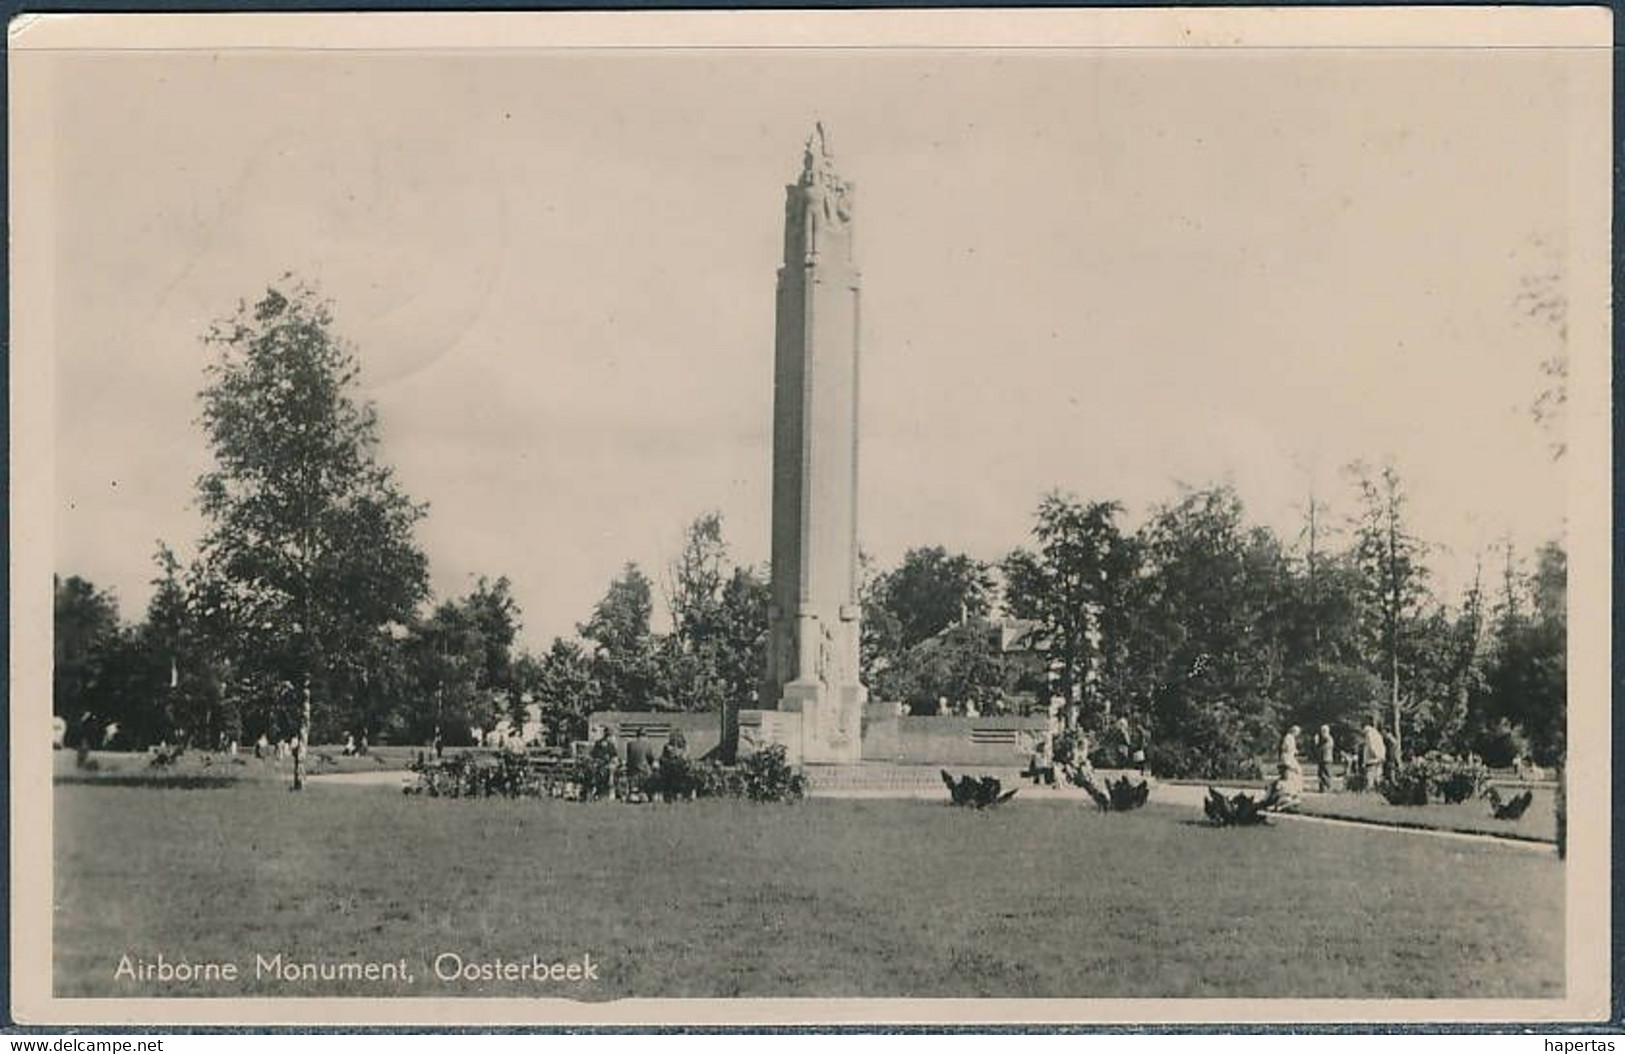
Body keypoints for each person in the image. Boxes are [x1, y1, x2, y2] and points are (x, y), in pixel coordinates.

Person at [1361, 720, 1387, 791]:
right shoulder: (1377, 734)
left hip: (1371, 759)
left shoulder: (1369, 734)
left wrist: (1375, 754)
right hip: (1379, 758)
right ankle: (1378, 791)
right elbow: (1382, 746)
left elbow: (1371, 746)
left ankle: (1370, 792)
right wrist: (1381, 756)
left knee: (1370, 778)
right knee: (1378, 777)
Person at [1315, 725, 1335, 793]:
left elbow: (1325, 747)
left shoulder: (1329, 739)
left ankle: (1328, 786)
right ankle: (1322, 788)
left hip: (1327, 759)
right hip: (1321, 759)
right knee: (1320, 773)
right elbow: (1318, 747)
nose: (1322, 733)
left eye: (1324, 731)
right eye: (1322, 731)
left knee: (1326, 773)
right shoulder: (1322, 740)